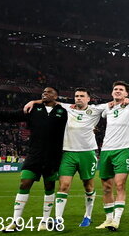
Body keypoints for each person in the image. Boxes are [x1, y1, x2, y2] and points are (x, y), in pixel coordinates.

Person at [0, 88, 67, 232]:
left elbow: (81, 112)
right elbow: (8, 116)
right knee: (24, 183)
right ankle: (15, 222)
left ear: (56, 96)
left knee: (49, 187)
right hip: (34, 155)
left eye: (49, 92)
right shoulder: (33, 109)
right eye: (43, 92)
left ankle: (45, 220)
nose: (44, 93)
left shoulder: (63, 111)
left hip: (53, 157)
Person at [31, 87, 104, 228]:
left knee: (88, 186)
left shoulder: (96, 110)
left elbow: (113, 104)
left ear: (89, 98)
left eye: (82, 96)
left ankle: (87, 216)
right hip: (68, 153)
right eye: (76, 96)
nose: (78, 98)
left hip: (87, 153)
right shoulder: (66, 108)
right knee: (63, 185)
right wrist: (33, 101)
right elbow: (50, 100)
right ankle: (58, 219)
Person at [95, 81, 129, 231]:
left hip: (123, 149)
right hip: (106, 149)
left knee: (120, 184)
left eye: (121, 89)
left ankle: (116, 220)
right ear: (112, 92)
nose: (118, 91)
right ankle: (108, 220)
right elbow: (86, 109)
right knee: (106, 187)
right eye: (115, 89)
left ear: (126, 93)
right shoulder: (106, 107)